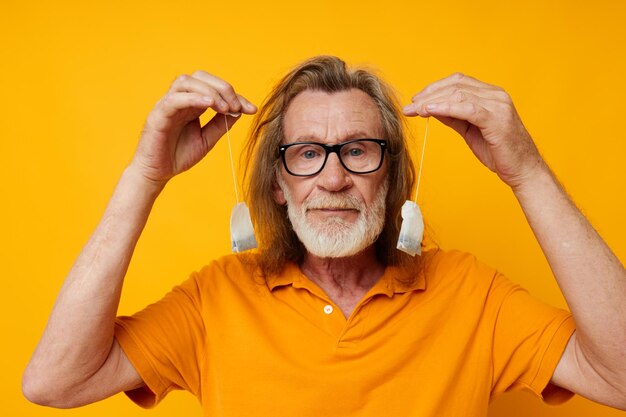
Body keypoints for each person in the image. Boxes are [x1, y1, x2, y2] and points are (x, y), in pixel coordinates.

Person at [23, 56, 626, 415]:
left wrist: (527, 171)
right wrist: (145, 177)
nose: (334, 178)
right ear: (278, 184)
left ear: (391, 179)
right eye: (308, 153)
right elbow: (56, 381)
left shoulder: (472, 293)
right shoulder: (216, 300)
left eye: (358, 151)